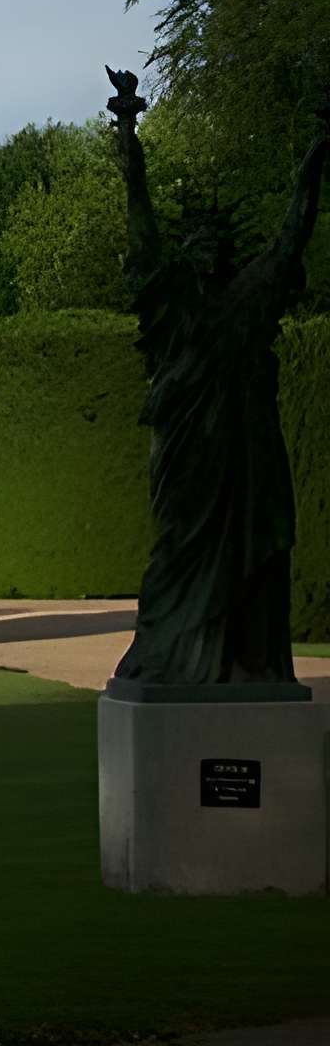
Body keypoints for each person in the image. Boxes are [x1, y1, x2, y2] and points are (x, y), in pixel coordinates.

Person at [106, 69, 328, 688]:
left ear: (228, 255)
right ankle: (173, 655)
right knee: (176, 554)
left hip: (244, 459)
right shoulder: (171, 301)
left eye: (216, 243)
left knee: (248, 565)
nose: (206, 251)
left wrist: (318, 154)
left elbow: (293, 234)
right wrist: (129, 135)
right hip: (189, 461)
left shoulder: (250, 299)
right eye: (197, 241)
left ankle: (237, 661)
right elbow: (141, 223)